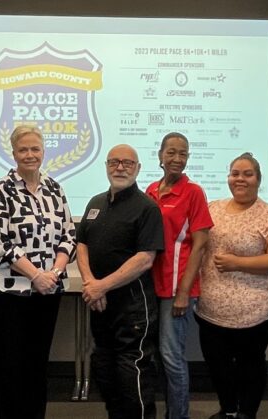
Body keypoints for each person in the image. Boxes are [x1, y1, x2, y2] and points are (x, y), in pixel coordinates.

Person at [0, 125, 76, 419]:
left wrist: (55, 273)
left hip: (48, 291)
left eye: (35, 149)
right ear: (13, 154)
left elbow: (68, 236)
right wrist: (35, 274)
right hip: (9, 292)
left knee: (37, 365)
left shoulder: (55, 189)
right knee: (10, 366)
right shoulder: (0, 190)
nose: (30, 155)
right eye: (23, 149)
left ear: (44, 152)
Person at [197, 153, 268, 419]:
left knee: (251, 363)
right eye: (235, 173)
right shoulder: (212, 208)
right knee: (217, 363)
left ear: (258, 179)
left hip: (257, 309)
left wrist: (238, 262)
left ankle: (247, 413)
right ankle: (227, 409)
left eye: (247, 174)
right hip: (210, 308)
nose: (240, 179)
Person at [77, 144, 164, 419]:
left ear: (138, 169)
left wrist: (102, 286)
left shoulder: (147, 208)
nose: (120, 167)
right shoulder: (94, 204)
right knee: (104, 369)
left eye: (127, 163)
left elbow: (145, 258)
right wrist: (91, 283)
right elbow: (81, 245)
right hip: (101, 305)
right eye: (114, 162)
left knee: (131, 374)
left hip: (133, 308)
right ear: (106, 166)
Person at [144, 132, 213, 419]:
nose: (176, 158)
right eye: (171, 152)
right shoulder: (148, 190)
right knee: (155, 356)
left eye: (183, 153)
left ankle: (179, 415)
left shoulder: (193, 192)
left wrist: (185, 292)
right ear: (160, 155)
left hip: (177, 289)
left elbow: (200, 244)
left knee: (172, 357)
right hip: (150, 287)